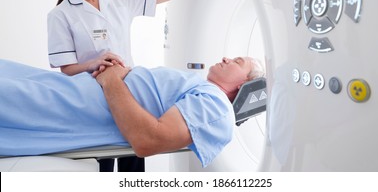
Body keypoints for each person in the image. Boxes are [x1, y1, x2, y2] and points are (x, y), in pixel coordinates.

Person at [47, 0, 190, 171]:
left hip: (131, 95)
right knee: (100, 167)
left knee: (132, 166)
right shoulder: (60, 15)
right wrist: (94, 62)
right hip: (93, 100)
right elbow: (67, 68)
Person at [0, 56, 264, 168]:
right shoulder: (203, 88)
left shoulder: (217, 108)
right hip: (77, 89)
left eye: (237, 61)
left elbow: (148, 140)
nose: (227, 58)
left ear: (244, 85)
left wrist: (112, 80)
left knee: (9, 93)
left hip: (77, 104)